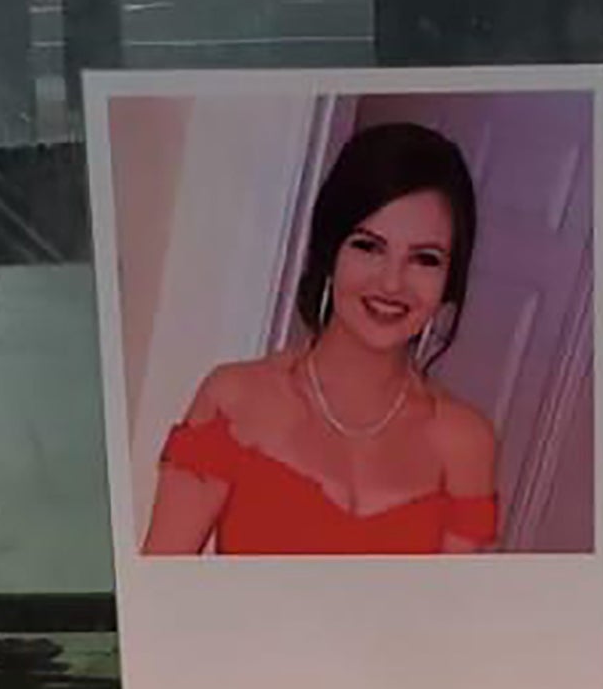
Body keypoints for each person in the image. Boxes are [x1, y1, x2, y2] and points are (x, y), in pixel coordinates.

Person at [143, 119, 502, 556]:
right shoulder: (233, 398)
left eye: (424, 259)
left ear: (450, 279)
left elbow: (456, 620)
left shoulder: (466, 442)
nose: (392, 284)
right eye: (368, 246)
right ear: (330, 249)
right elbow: (161, 600)